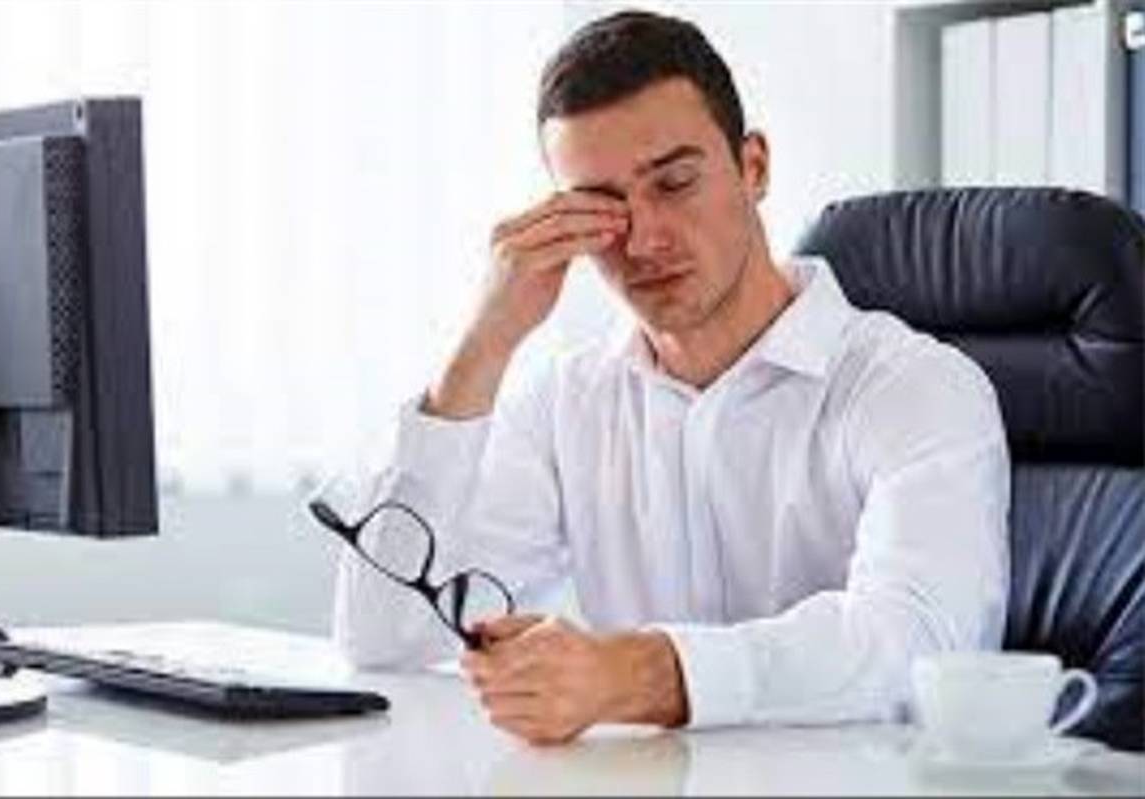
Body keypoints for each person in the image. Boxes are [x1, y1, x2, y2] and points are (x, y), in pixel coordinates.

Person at [331, 9, 1009, 746]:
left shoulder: (916, 387)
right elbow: (384, 637)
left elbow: (918, 642)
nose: (645, 240)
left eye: (675, 183)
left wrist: (642, 674)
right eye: (601, 208)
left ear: (754, 167)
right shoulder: (566, 402)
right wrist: (483, 344)